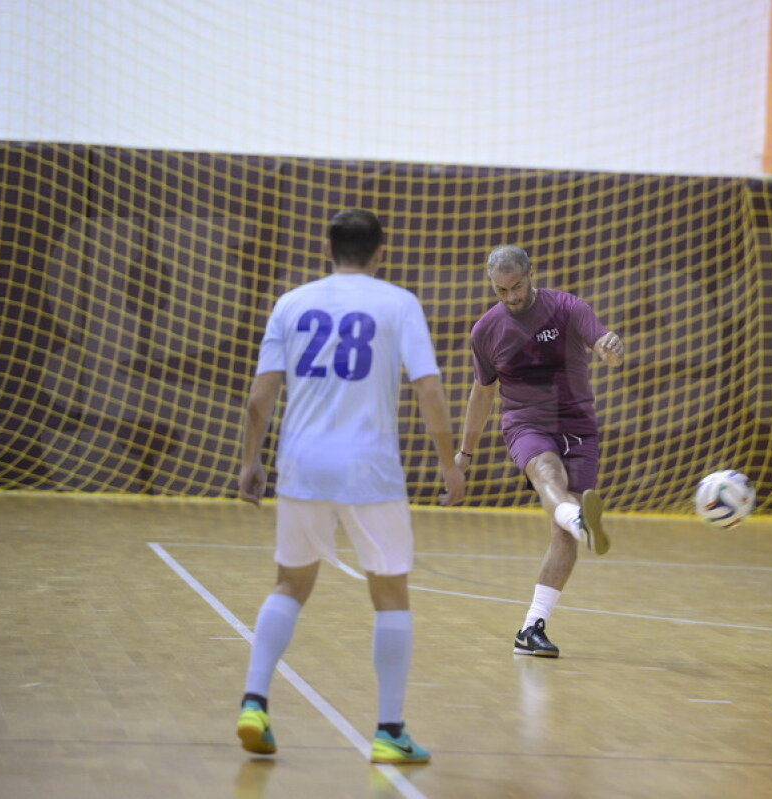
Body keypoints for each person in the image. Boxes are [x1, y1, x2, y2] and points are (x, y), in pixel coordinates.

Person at [234, 209, 465, 764]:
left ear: (328, 248)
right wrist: (448, 463)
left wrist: (250, 461)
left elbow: (259, 397)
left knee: (289, 584)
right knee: (389, 593)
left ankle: (253, 700)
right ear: (380, 252)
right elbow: (429, 390)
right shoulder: (398, 302)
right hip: (370, 469)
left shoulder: (290, 303)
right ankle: (388, 731)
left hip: (302, 464)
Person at [454, 245, 624, 658]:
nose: (510, 297)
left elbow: (599, 338)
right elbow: (482, 393)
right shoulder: (486, 331)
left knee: (562, 537)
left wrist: (608, 347)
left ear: (532, 273)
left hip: (578, 424)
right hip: (526, 423)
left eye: (516, 286)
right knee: (548, 475)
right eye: (500, 291)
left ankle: (531, 628)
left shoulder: (567, 308)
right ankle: (578, 517)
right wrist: (465, 453)